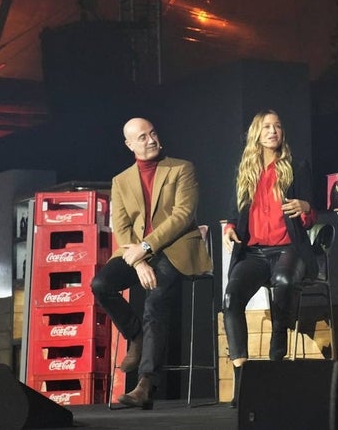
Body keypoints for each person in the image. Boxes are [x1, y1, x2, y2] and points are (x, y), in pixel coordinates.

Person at [91, 117, 212, 410]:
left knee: (154, 301)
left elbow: (183, 215)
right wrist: (140, 261)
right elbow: (121, 227)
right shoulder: (121, 180)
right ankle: (137, 336)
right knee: (101, 284)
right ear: (129, 144)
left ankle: (146, 383)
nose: (151, 139)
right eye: (142, 137)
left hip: (175, 249)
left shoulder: (182, 168)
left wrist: (146, 247)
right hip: (137, 254)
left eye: (153, 133)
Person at [222, 110, 317, 407]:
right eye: (266, 126)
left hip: (289, 249)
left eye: (277, 126)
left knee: (284, 281)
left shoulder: (297, 167)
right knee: (231, 298)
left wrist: (305, 207)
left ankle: (278, 348)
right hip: (254, 252)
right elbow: (233, 213)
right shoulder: (245, 171)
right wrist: (229, 229)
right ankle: (242, 376)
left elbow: (311, 216)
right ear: (256, 134)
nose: (273, 131)